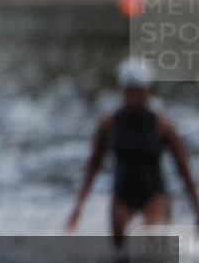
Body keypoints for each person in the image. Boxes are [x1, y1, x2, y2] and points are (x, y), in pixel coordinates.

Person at [67, 59, 198, 247]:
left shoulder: (163, 127)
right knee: (121, 254)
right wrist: (78, 206)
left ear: (148, 91)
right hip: (122, 194)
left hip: (154, 193)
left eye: (138, 90)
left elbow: (183, 171)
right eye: (129, 90)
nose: (133, 97)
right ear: (123, 91)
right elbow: (93, 166)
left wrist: (196, 209)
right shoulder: (108, 125)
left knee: (154, 244)